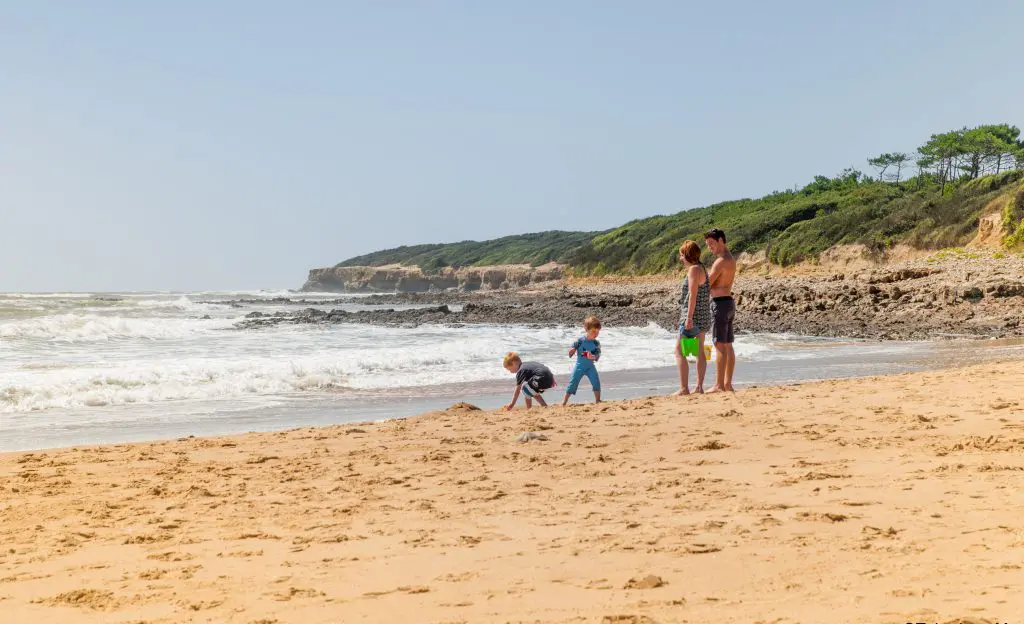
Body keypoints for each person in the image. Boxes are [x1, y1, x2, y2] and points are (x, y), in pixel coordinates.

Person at [674, 240, 710, 395]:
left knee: (679, 351)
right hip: (703, 316)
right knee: (699, 350)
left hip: (693, 316)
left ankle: (684, 388)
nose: (681, 258)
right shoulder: (702, 268)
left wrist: (688, 318)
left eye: (682, 255)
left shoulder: (693, 270)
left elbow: (692, 296)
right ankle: (699, 387)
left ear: (688, 255)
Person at [703, 228, 737, 392]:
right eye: (708, 245)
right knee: (728, 344)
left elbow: (707, 284)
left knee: (719, 344)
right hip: (728, 303)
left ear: (721, 240)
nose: (710, 247)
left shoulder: (721, 261)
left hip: (720, 304)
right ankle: (727, 384)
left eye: (712, 244)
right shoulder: (730, 258)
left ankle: (719, 385)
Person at [562, 315, 602, 405]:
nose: (596, 334)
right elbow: (570, 353)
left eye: (598, 332)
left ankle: (598, 400)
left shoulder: (596, 343)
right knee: (573, 383)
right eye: (593, 331)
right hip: (579, 366)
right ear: (586, 329)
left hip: (590, 367)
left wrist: (594, 356)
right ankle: (564, 401)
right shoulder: (579, 341)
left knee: (596, 381)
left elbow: (597, 356)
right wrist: (572, 350)